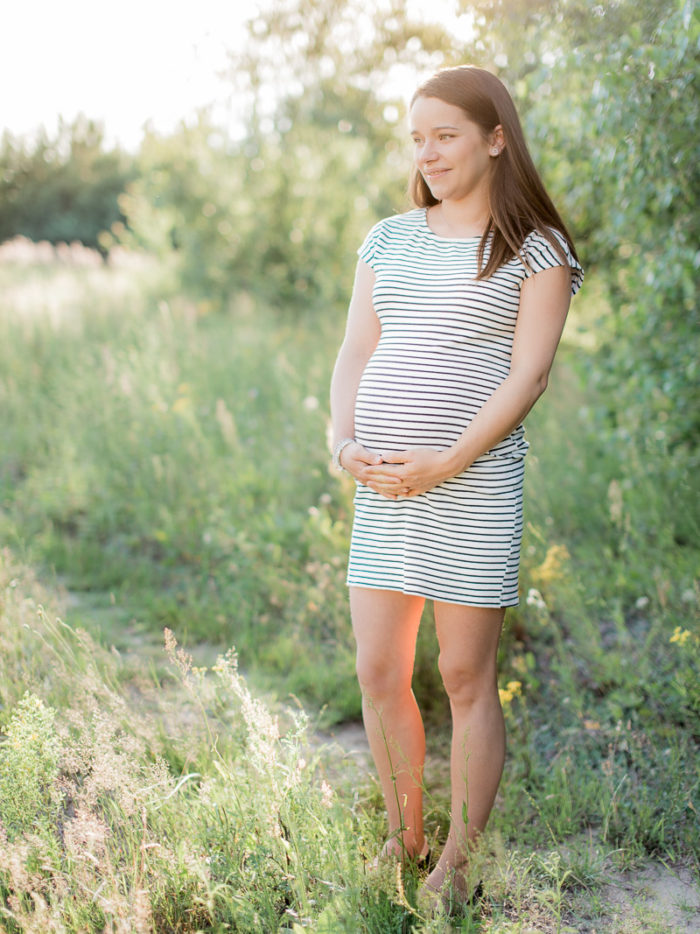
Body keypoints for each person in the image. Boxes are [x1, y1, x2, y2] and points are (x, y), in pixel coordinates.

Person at [329, 65, 583, 912]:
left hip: (471, 489)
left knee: (466, 677)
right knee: (377, 671)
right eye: (417, 139)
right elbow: (355, 352)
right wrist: (343, 442)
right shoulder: (388, 239)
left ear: (495, 136)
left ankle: (458, 863)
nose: (428, 153)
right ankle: (404, 841)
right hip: (385, 489)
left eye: (446, 134)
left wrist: (446, 461)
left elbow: (529, 377)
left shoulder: (536, 251)